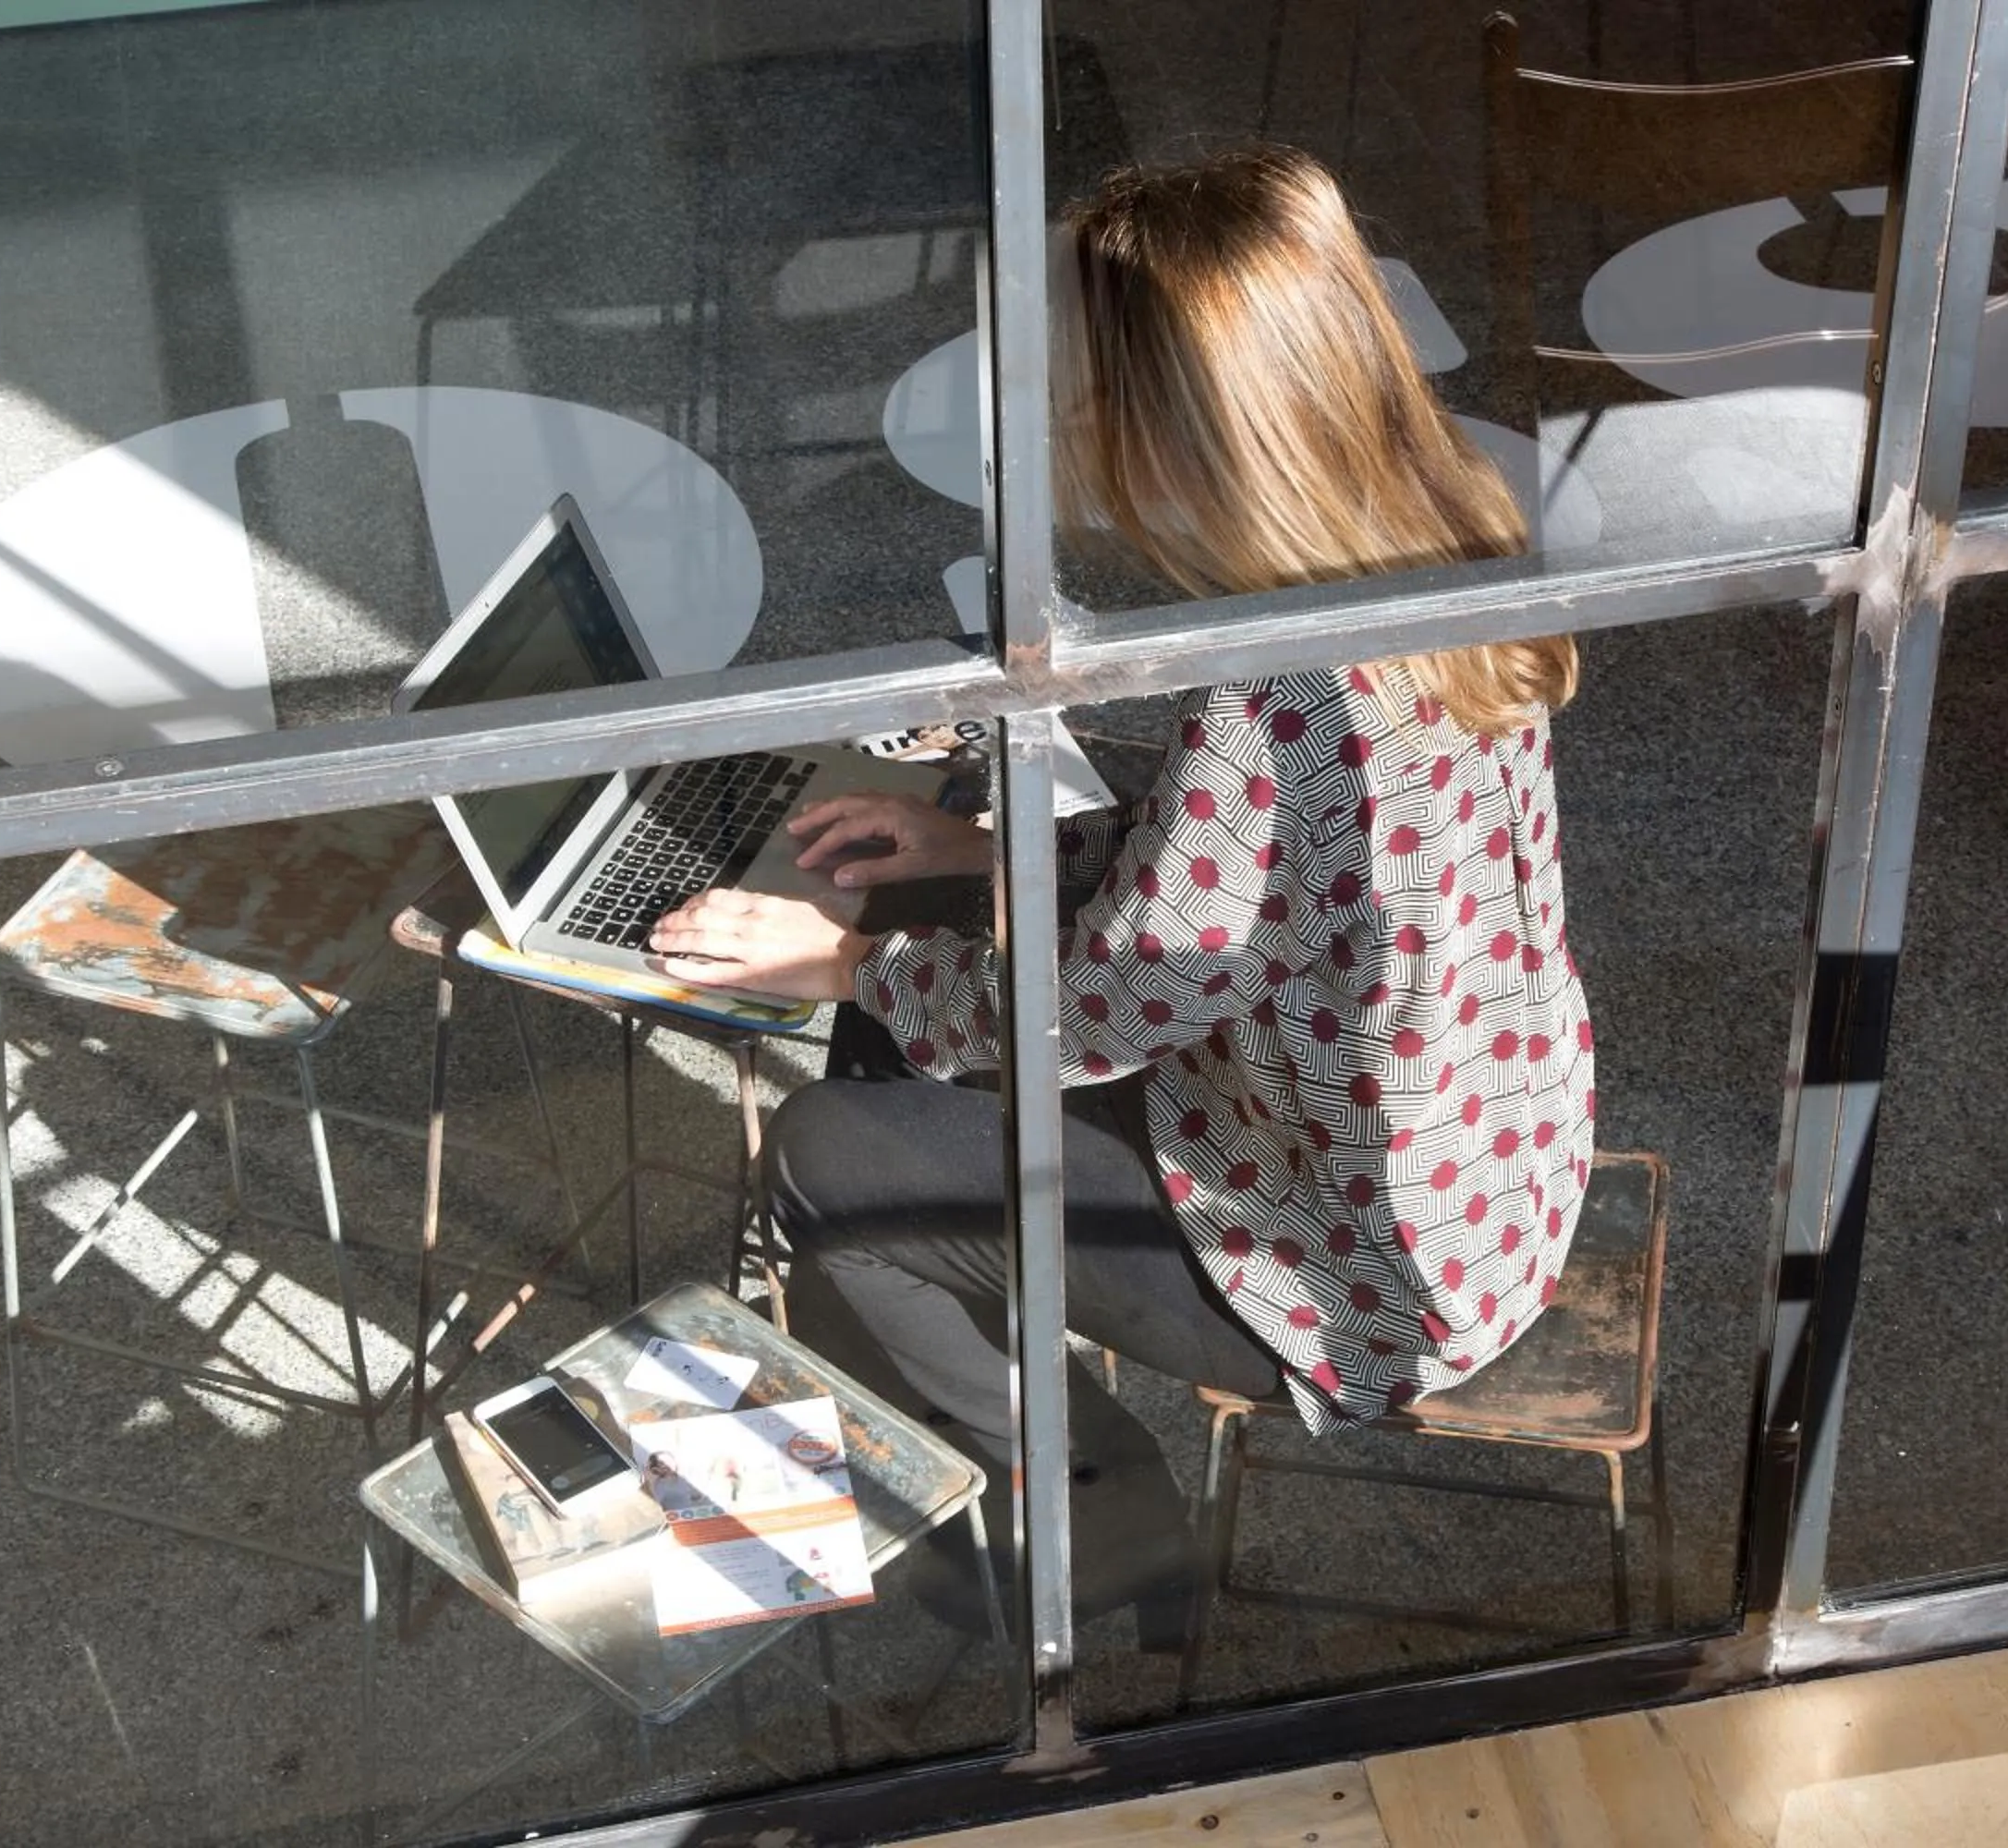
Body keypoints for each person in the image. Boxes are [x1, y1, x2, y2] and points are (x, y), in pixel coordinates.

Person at [649, 145, 1593, 1645]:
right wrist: (982, 858)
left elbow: (1102, 1012)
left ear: (1175, 429)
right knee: (932, 978)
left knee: (828, 1154)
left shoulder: (1278, 688)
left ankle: (1101, 1553)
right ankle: (976, 1447)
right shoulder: (1442, 527)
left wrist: (834, 964)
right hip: (1485, 1166)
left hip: (1352, 1256)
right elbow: (1282, 883)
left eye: (1078, 390)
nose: (1053, 421)